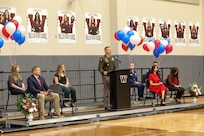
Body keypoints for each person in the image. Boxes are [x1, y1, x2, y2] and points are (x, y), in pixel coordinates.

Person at [98, 46, 116, 110]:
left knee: (113, 90)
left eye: (110, 50)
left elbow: (114, 67)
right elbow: (100, 68)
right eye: (108, 50)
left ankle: (113, 104)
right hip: (106, 76)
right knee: (106, 91)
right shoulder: (103, 59)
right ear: (105, 51)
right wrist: (103, 72)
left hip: (112, 76)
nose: (110, 51)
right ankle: (106, 105)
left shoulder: (112, 58)